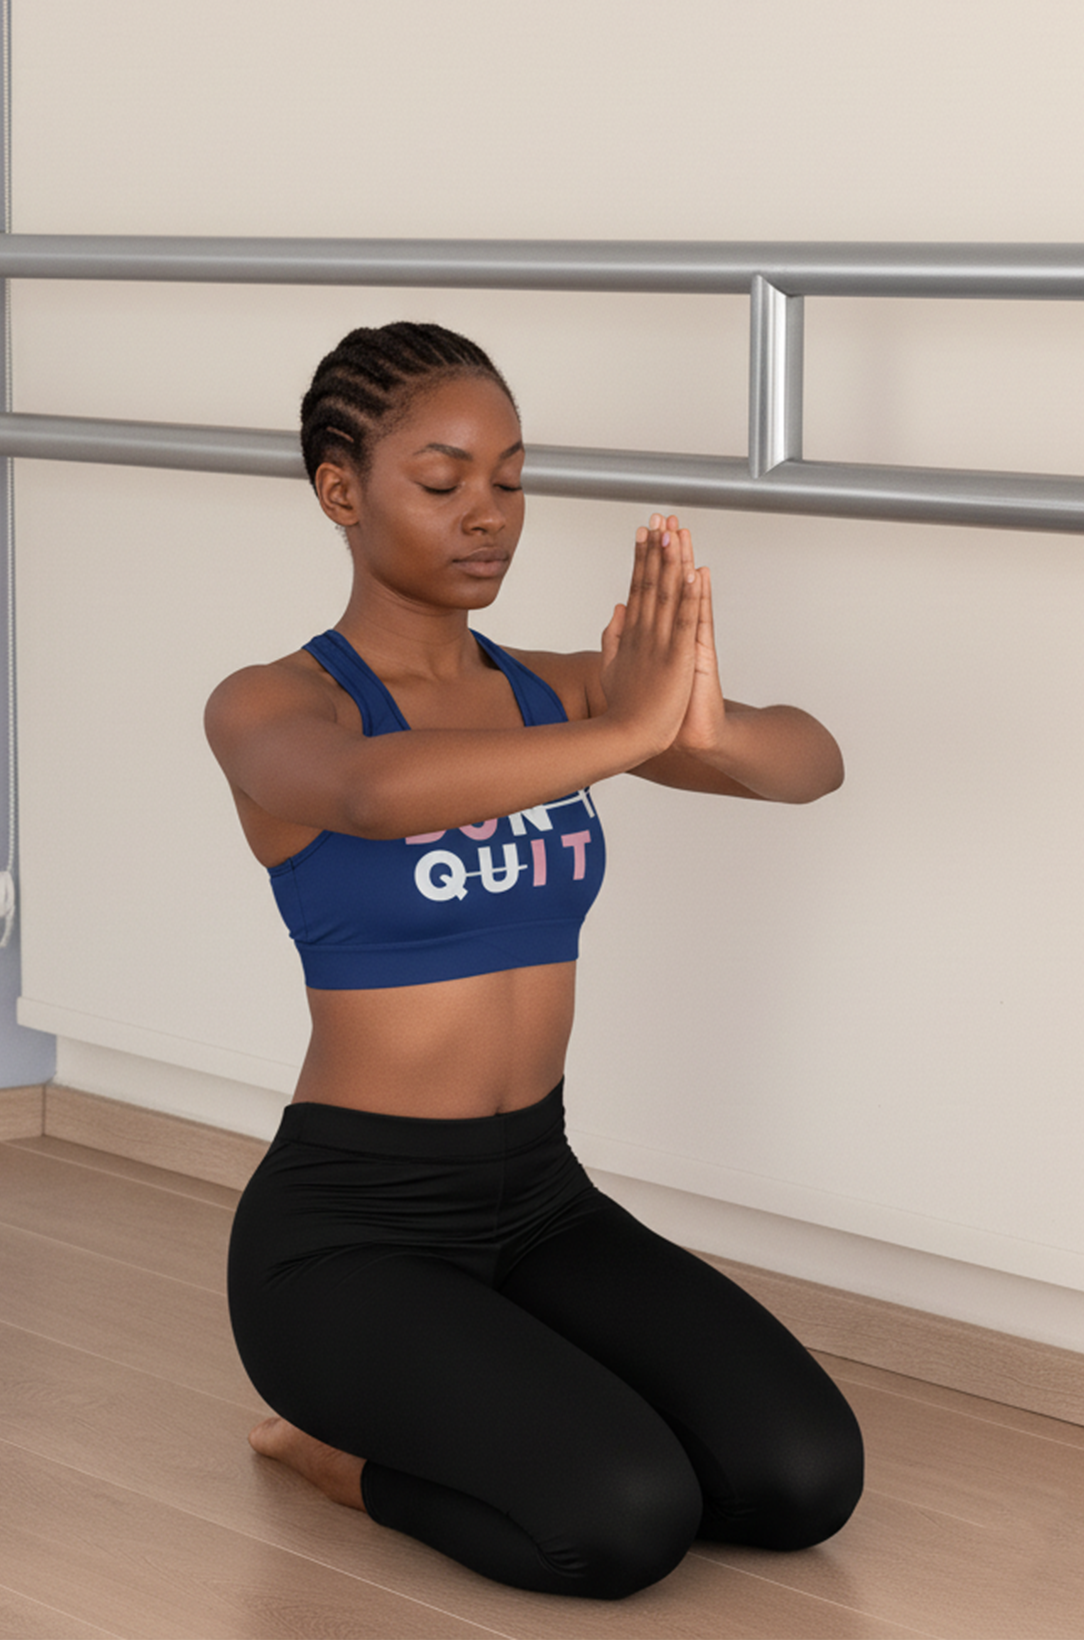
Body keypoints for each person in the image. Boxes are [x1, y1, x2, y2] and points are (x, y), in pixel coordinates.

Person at [205, 322, 863, 1599]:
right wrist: (628, 725)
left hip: (539, 1199)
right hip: (350, 1233)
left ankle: (515, 1388)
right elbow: (372, 792)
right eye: (442, 481)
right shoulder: (279, 704)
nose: (488, 514)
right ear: (342, 490)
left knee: (801, 1477)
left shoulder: (558, 697)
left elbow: (813, 765)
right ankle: (337, 1457)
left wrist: (705, 726)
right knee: (620, 1522)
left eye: (509, 477)